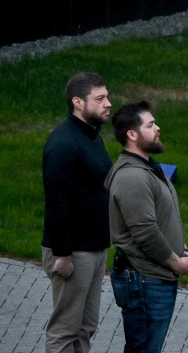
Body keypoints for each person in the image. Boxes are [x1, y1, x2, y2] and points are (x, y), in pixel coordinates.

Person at [106, 101, 188, 353]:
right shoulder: (132, 176)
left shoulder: (146, 166)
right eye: (151, 124)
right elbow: (145, 232)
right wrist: (175, 261)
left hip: (152, 277)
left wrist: (181, 246)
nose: (158, 128)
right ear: (132, 134)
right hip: (143, 279)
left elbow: (159, 216)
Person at [42, 72, 113, 353]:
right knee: (64, 331)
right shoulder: (64, 144)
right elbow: (56, 202)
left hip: (94, 248)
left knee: (85, 327)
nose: (108, 103)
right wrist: (62, 254)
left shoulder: (93, 138)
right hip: (72, 253)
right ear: (78, 102)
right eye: (100, 98)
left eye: (107, 96)